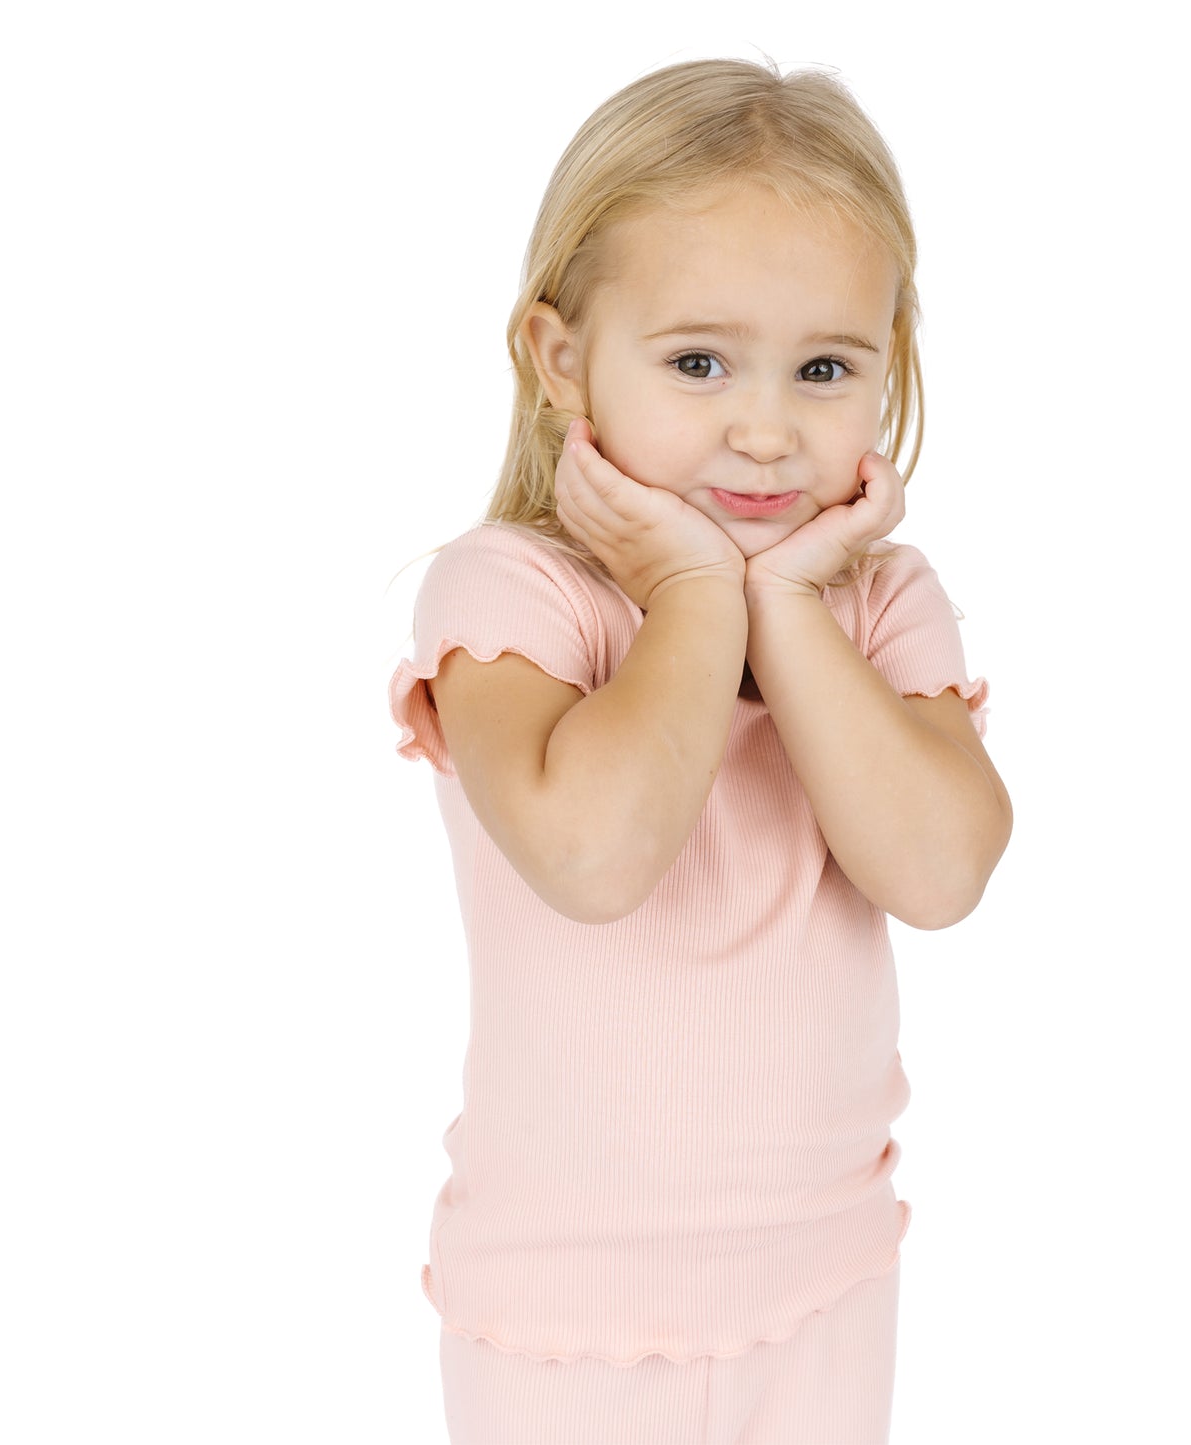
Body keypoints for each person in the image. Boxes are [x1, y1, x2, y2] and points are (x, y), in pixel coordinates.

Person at [389, 56, 1012, 1445]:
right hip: (566, 1309)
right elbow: (595, 853)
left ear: (888, 366)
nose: (765, 425)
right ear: (561, 359)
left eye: (825, 368)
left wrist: (783, 601)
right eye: (697, 361)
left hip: (824, 1272)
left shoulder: (872, 602)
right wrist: (689, 592)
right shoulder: (513, 600)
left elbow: (938, 868)